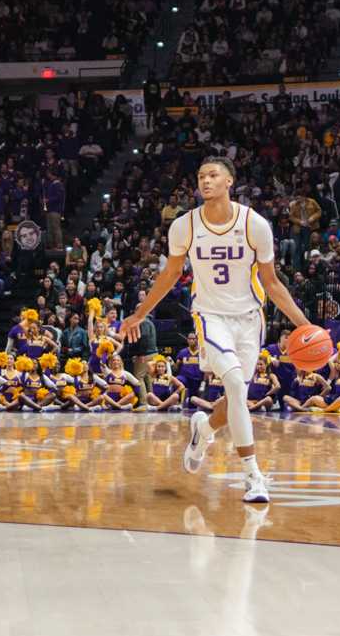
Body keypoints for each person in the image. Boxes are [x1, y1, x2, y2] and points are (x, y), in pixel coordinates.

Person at [118, 155, 317, 505]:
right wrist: (138, 314)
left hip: (250, 318)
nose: (205, 180)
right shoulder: (185, 226)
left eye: (213, 175)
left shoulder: (255, 224)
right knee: (237, 385)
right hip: (210, 316)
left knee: (237, 395)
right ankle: (253, 474)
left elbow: (271, 283)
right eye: (200, 175)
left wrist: (305, 326)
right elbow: (168, 276)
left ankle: (204, 428)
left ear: (229, 182)